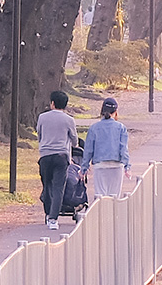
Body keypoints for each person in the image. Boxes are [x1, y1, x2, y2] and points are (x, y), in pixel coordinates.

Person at [36, 89, 77, 230]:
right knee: (58, 188)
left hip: (45, 155)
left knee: (47, 185)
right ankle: (53, 219)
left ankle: (47, 213)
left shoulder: (42, 117)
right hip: (61, 156)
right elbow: (75, 140)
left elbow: (39, 134)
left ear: (52, 103)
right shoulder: (69, 120)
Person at [81, 96, 132, 198]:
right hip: (116, 165)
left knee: (100, 197)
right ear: (116, 111)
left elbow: (88, 150)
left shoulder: (94, 128)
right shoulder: (121, 128)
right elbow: (123, 149)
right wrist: (127, 166)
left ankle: (102, 214)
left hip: (100, 165)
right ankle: (113, 214)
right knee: (114, 197)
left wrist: (84, 168)